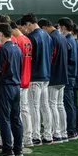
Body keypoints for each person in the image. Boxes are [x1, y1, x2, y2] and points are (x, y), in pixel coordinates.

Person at [21, 13, 53, 145]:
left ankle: (35, 135)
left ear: (28, 24)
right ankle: (48, 134)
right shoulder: (47, 36)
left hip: (35, 76)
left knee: (34, 107)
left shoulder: (31, 37)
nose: (25, 30)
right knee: (45, 106)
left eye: (25, 26)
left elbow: (29, 58)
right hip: (46, 76)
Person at [0, 23, 24, 156]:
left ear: (0, 34)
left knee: (4, 119)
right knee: (16, 118)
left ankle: (7, 149)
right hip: (16, 86)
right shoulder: (17, 49)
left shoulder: (3, 50)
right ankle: (18, 148)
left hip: (5, 87)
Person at [38, 19, 68, 143]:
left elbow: (51, 58)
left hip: (54, 76)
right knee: (59, 105)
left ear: (44, 28)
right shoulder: (62, 37)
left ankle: (55, 133)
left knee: (52, 105)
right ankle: (62, 132)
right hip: (63, 76)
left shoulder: (52, 38)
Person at [12, 20, 33, 147]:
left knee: (17, 112)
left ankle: (20, 138)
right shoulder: (27, 39)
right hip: (26, 78)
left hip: (18, 80)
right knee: (25, 109)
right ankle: (28, 137)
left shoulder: (16, 41)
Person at [57, 18, 78, 140]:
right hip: (71, 75)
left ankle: (70, 130)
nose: (59, 29)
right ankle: (72, 129)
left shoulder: (67, 41)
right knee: (69, 104)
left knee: (68, 104)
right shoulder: (72, 40)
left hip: (68, 76)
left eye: (60, 27)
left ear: (64, 27)